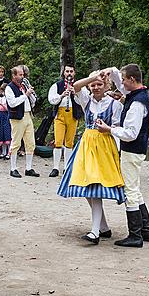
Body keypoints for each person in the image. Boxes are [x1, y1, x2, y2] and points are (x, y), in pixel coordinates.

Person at [56, 71, 124, 244]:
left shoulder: (115, 104)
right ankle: (103, 227)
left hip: (103, 145)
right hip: (86, 144)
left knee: (95, 188)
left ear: (107, 85)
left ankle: (95, 232)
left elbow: (116, 127)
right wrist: (94, 77)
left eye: (100, 84)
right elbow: (76, 86)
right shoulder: (86, 100)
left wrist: (107, 130)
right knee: (85, 185)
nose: (96, 87)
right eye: (93, 85)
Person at [96, 64, 149, 247]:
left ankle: (135, 235)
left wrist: (109, 129)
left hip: (132, 149)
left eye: (124, 78)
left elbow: (131, 133)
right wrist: (110, 72)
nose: (121, 82)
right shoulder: (137, 93)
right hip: (136, 149)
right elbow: (119, 81)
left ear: (132, 79)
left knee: (130, 190)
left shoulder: (137, 102)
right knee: (135, 188)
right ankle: (146, 229)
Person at [47, 66, 83, 178]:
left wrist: (75, 93)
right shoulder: (57, 85)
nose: (69, 73)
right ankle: (55, 168)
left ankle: (67, 167)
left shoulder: (78, 86)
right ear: (63, 72)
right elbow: (51, 100)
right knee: (58, 142)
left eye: (71, 71)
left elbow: (83, 101)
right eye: (67, 71)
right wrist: (62, 95)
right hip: (60, 114)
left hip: (73, 114)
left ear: (74, 73)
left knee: (69, 143)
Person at [6, 66, 38, 178]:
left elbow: (29, 100)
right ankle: (13, 168)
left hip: (28, 115)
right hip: (17, 117)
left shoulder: (23, 86)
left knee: (30, 143)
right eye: (20, 75)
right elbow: (12, 103)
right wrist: (26, 95)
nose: (22, 76)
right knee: (16, 143)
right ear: (14, 76)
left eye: (23, 74)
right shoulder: (9, 88)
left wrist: (30, 96)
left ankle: (28, 168)